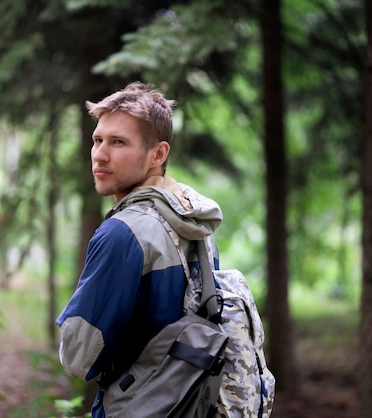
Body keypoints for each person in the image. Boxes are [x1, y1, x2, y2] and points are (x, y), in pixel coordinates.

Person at [56, 82, 223, 417]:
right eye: (97, 140)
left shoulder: (122, 234)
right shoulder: (195, 223)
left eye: (118, 142)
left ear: (158, 154)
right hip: (189, 404)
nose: (100, 154)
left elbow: (77, 358)